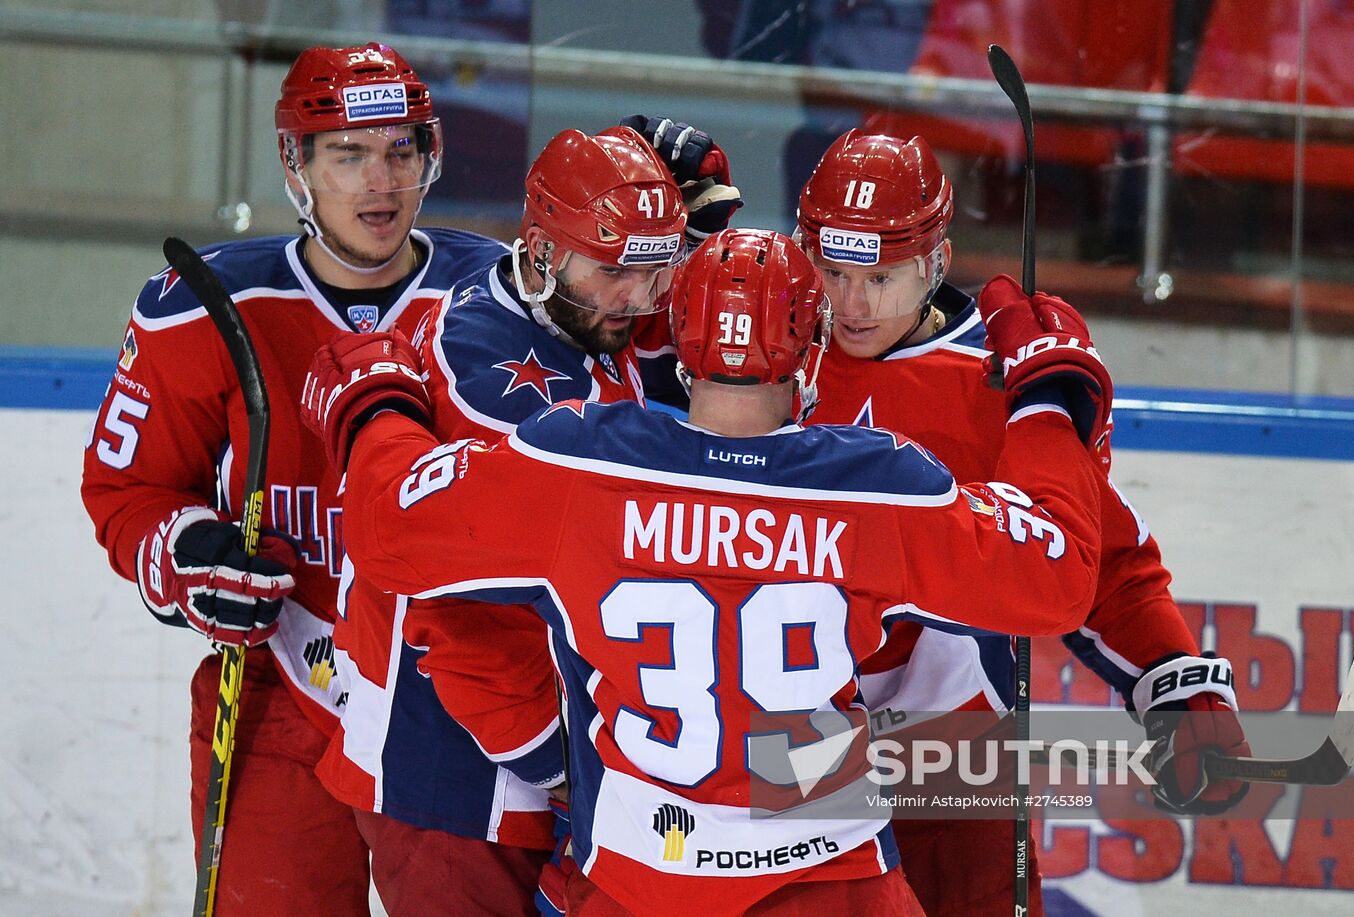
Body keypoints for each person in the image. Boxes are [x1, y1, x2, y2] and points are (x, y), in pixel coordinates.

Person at [299, 227, 1115, 915]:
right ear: (812, 344)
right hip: (826, 852)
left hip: (640, 864)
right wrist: (1051, 398)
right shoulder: (877, 482)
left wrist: (378, 406)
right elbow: (1059, 577)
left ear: (677, 340)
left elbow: (389, 525)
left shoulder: (575, 460)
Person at [80, 42, 521, 915]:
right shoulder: (204, 304)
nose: (379, 183)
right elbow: (127, 493)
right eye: (347, 155)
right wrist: (188, 553)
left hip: (453, 699)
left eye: (400, 150)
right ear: (296, 164)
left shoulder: (498, 298)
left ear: (430, 156)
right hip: (280, 688)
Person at [794, 129, 1251, 915]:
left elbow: (1101, 559)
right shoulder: (765, 348)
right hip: (779, 752)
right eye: (831, 272)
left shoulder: (1004, 380)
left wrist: (1172, 682)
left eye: (879, 275)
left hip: (947, 754)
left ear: (936, 262)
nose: (851, 304)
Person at [317, 118, 744, 915]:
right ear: (545, 254)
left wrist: (661, 188)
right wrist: (571, 771)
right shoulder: (495, 392)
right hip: (450, 770)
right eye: (618, 271)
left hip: (522, 748)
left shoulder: (574, 307)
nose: (638, 298)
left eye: (654, 271)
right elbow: (468, 626)